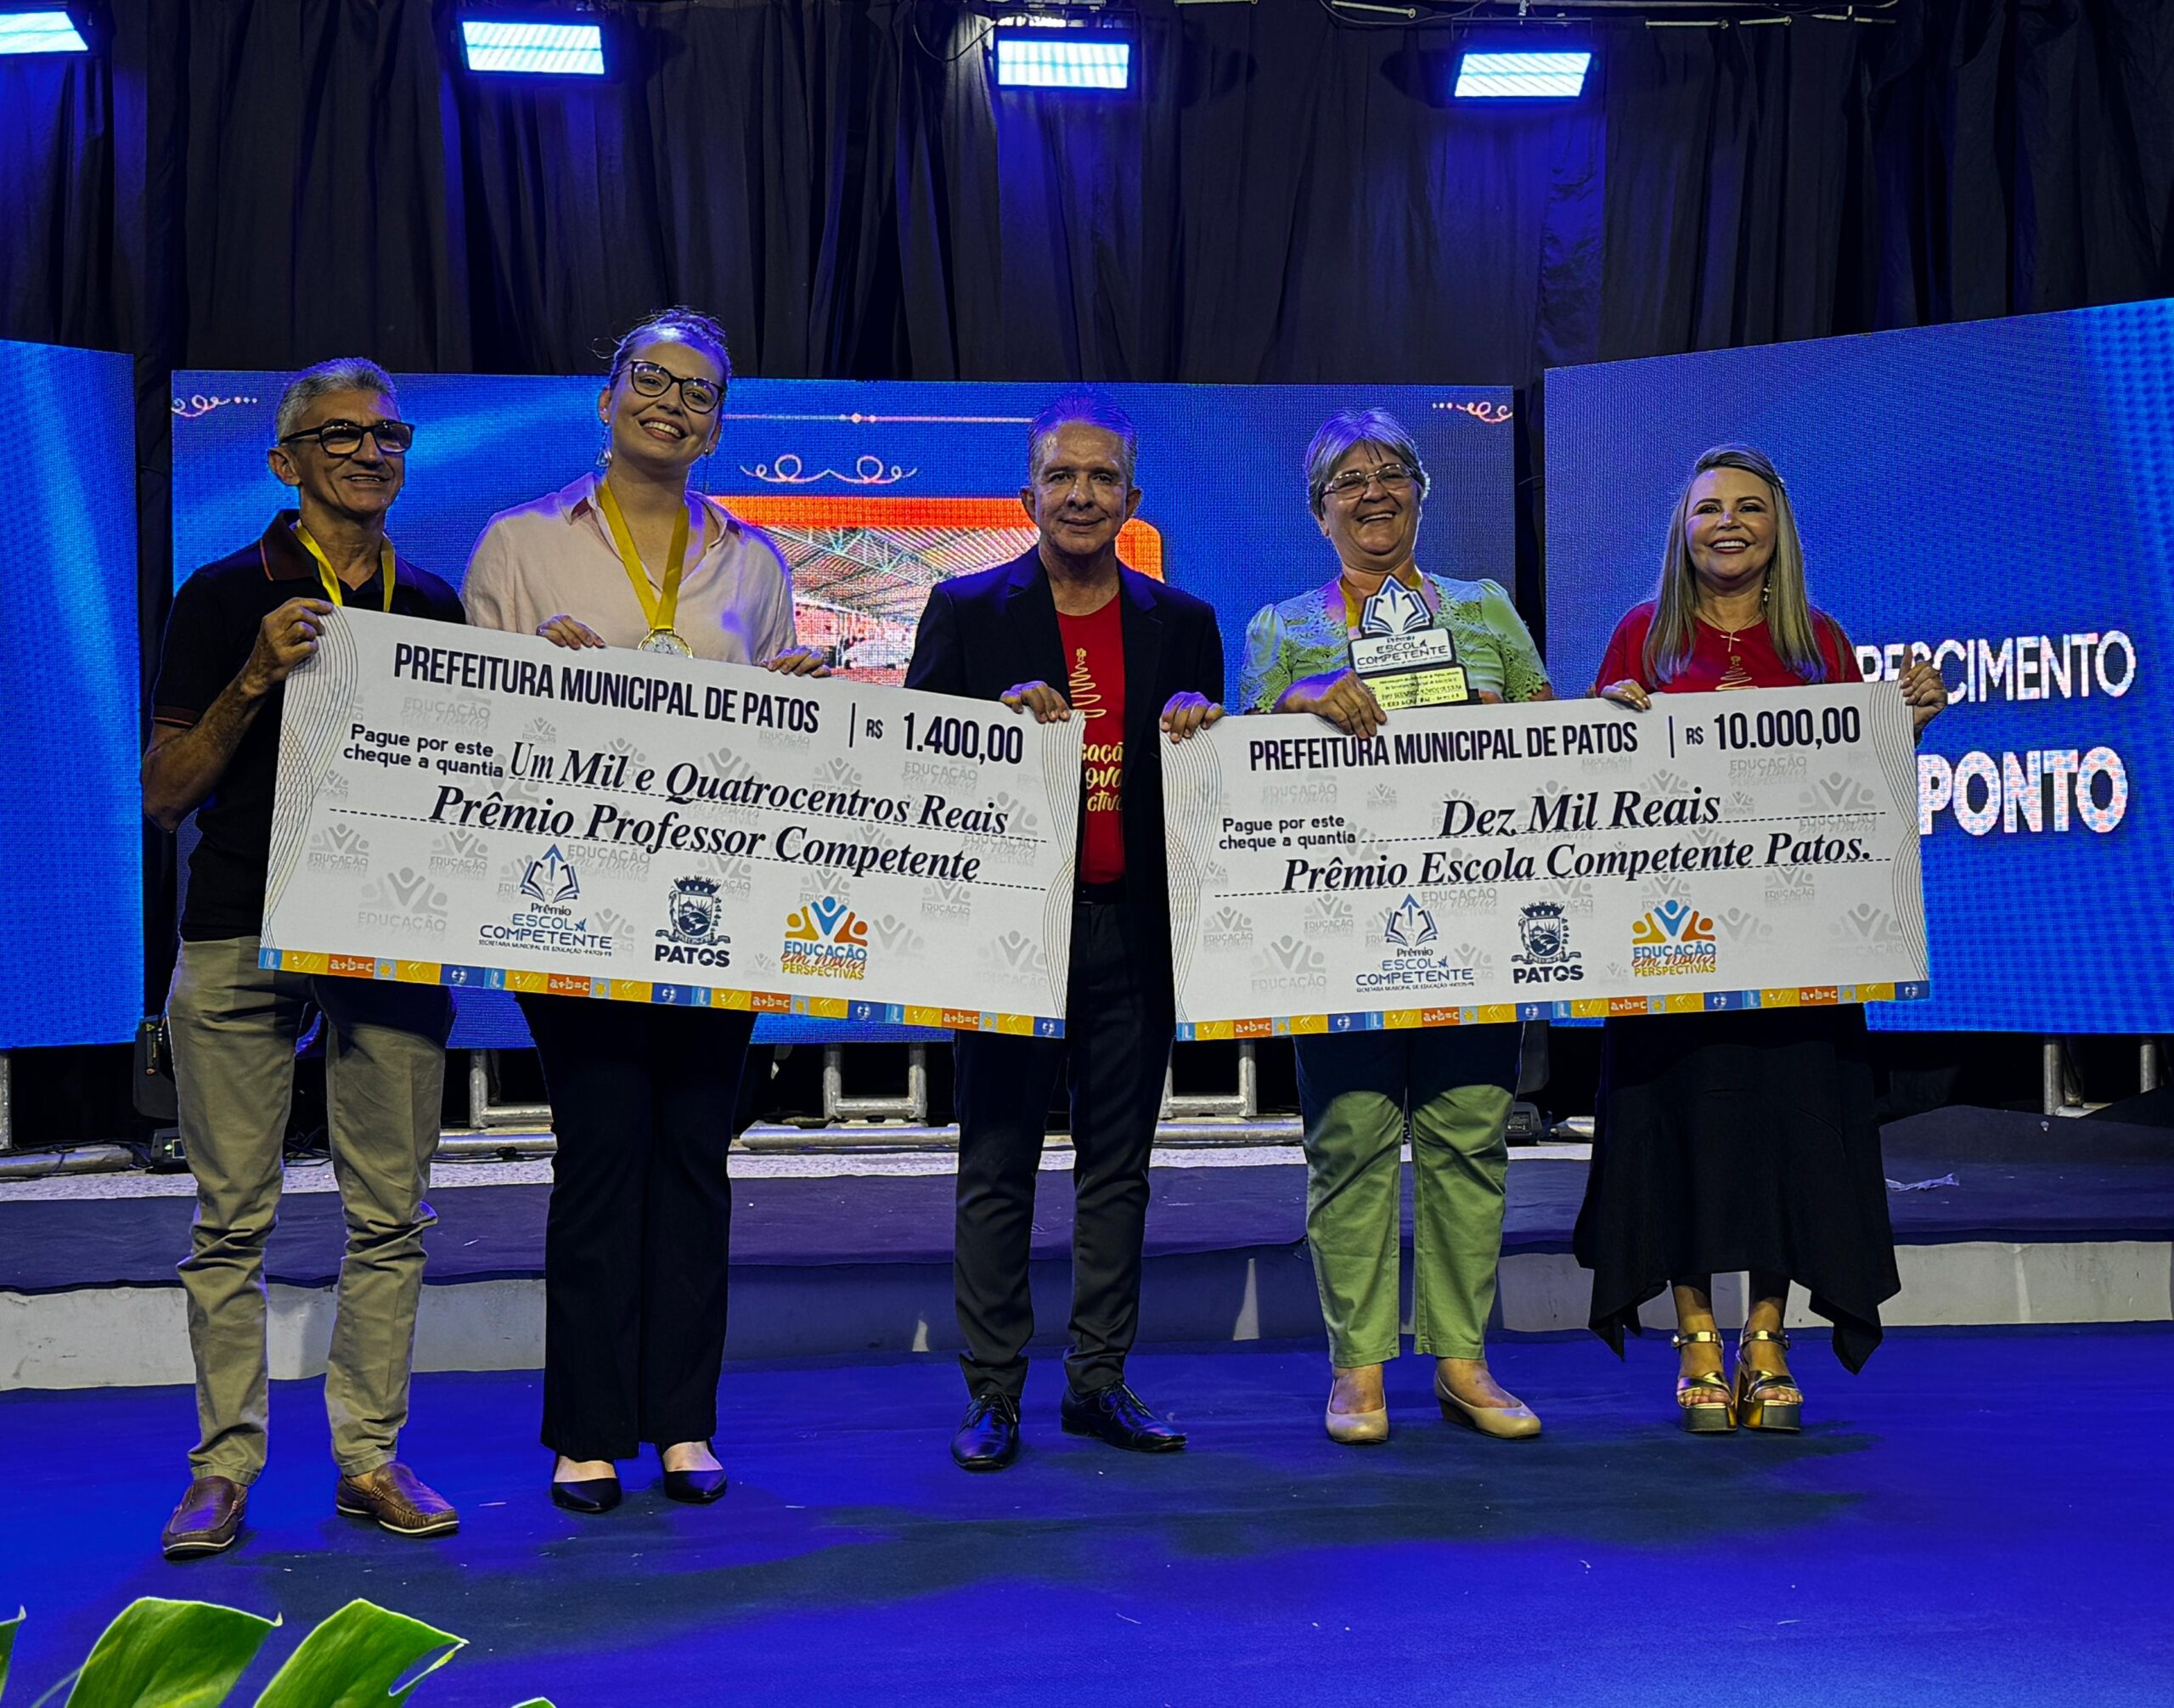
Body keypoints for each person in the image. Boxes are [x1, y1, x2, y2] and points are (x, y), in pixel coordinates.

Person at [464, 307, 823, 1514]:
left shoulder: (755, 560)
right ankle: (586, 1431)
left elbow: (773, 746)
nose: (673, 404)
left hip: (715, 910)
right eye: (653, 380)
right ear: (607, 394)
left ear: (719, 426)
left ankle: (682, 1422)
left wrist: (799, 698)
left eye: (699, 392)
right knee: (603, 1150)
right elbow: (472, 726)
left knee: (694, 1159)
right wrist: (534, 674)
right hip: (571, 903)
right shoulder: (520, 543)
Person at [145, 359, 465, 1559]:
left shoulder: (431, 603)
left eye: (388, 433)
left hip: (388, 933)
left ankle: (368, 1457)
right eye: (339, 433)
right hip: (240, 924)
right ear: (284, 461)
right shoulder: (224, 594)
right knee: (230, 1221)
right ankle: (222, 1468)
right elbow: (165, 794)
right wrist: (253, 676)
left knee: (391, 1216)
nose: (369, 450)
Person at [1578, 443, 1948, 1432]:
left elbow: (1856, 791)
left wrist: (1903, 726)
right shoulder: (1639, 639)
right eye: (1708, 509)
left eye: (1749, 506)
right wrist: (1605, 726)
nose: (1728, 523)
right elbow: (1592, 790)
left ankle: (1768, 1335)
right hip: (1671, 946)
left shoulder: (1819, 643)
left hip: (1798, 952)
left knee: (1786, 1130)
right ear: (1682, 530)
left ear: (1777, 527)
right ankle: (1696, 1336)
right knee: (1682, 1128)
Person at [906, 392, 1225, 1472]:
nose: (1081, 494)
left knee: (1117, 1171)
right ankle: (992, 1393)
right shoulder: (964, 608)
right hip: (1007, 935)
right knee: (995, 1165)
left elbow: (1206, 782)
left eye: (1102, 477)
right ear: (1027, 494)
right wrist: (986, 726)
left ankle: (1097, 1382)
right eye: (1061, 475)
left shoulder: (1183, 621)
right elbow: (915, 763)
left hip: (1135, 933)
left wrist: (1200, 726)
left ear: (1132, 498)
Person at [1239, 408, 1552, 1446]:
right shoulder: (1281, 628)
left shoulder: (1484, 606)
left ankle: (1461, 1361)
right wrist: (1298, 700)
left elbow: (1550, 738)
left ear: (1421, 490)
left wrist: (1526, 719)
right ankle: (1358, 1369)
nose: (1372, 492)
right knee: (1350, 1142)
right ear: (1318, 511)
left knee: (1469, 1136)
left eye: (1391, 474)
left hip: (1476, 917)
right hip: (1336, 924)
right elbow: (1242, 771)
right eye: (1348, 480)